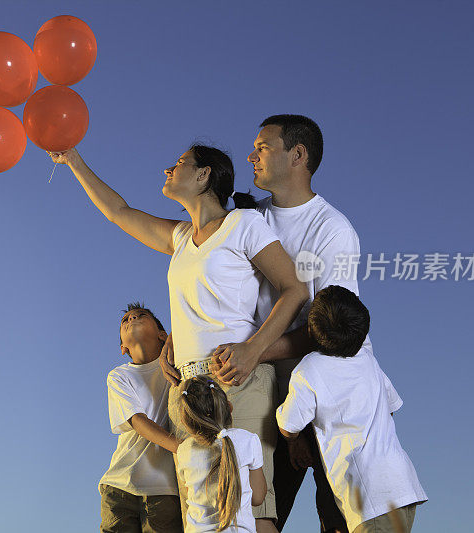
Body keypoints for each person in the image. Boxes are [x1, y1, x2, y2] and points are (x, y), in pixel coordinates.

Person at [50, 145, 309, 533]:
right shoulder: (181, 237)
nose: (168, 168)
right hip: (187, 392)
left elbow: (294, 288)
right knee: (200, 515)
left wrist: (254, 350)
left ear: (204, 176)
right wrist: (73, 160)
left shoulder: (243, 225)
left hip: (238, 380)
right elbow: (118, 212)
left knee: (253, 510)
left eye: (180, 164)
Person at [193, 114, 360, 532]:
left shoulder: (332, 230)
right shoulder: (247, 220)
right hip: (269, 398)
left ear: (298, 155)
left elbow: (331, 332)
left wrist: (253, 352)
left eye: (263, 147)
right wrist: (175, 342)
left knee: (337, 520)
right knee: (252, 516)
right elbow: (220, 292)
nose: (250, 156)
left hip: (327, 403)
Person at [276, 286, 427, 533]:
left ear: (311, 330)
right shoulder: (367, 359)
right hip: (401, 484)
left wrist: (293, 441)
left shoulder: (309, 368)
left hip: (370, 497)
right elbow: (391, 407)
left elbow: (288, 425)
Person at [99, 302, 183, 533]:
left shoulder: (179, 363)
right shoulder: (119, 376)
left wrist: (173, 342)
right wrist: (183, 448)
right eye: (125, 320)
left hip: (164, 489)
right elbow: (137, 421)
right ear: (123, 348)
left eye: (141, 315)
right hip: (119, 484)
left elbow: (187, 326)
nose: (132, 319)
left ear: (162, 334)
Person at [176, 375, 267, 533]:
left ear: (186, 420)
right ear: (229, 407)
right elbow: (258, 497)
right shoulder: (247, 440)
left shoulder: (184, 450)